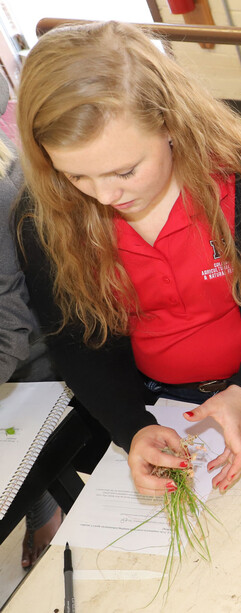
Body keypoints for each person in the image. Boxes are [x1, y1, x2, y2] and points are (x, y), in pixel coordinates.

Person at [15, 21, 241, 497]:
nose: (104, 195)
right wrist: (133, 428)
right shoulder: (42, 216)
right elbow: (77, 343)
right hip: (158, 404)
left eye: (125, 170)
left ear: (170, 121)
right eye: (75, 175)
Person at [0, 78, 62, 569]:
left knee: (21, 444)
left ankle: (42, 507)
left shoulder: (5, 189)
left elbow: (12, 327)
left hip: (35, 352)